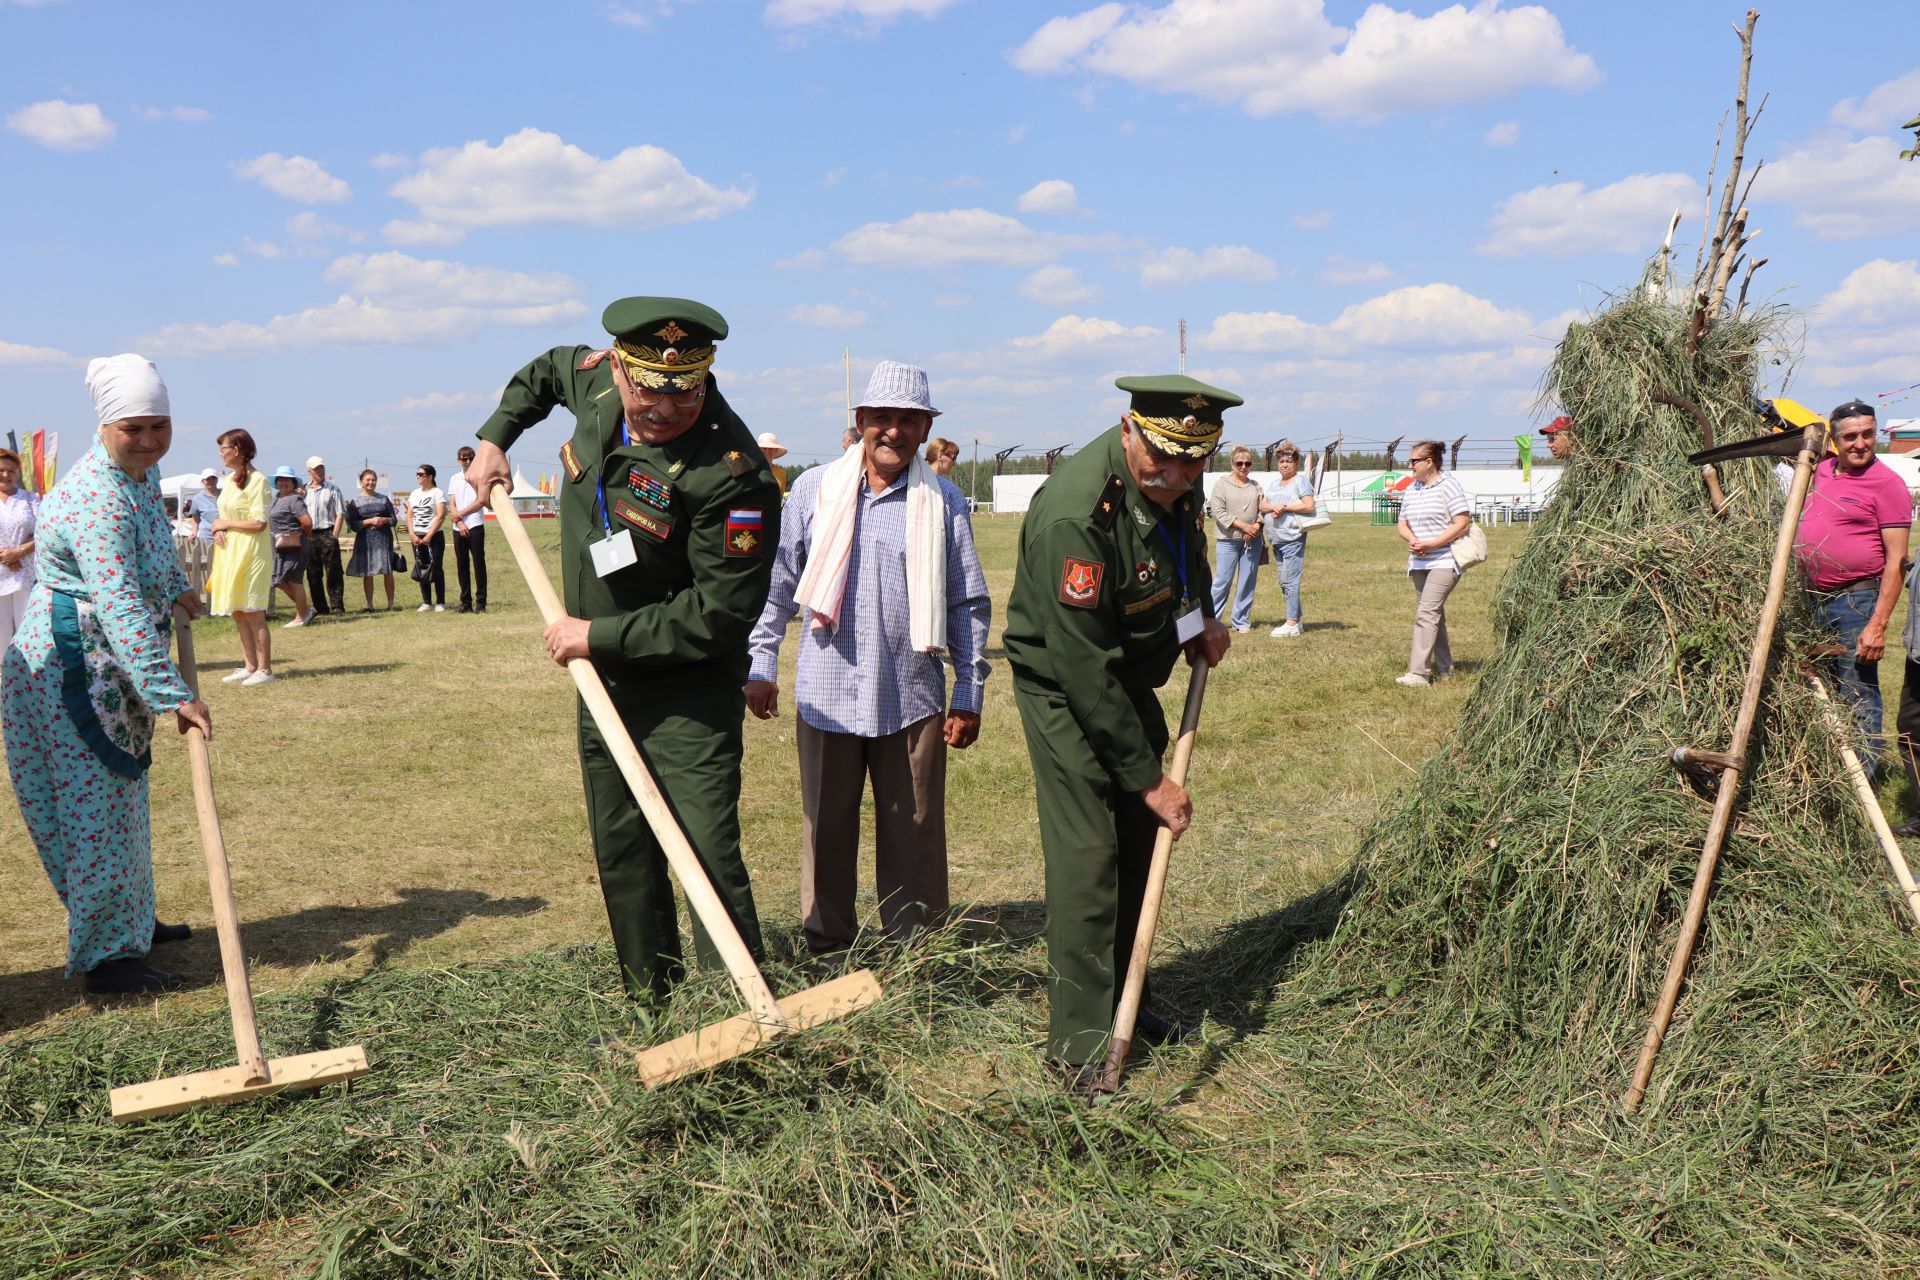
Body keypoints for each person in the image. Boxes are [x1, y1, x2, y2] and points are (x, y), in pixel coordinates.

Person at [463, 296, 781, 1002]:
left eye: (684, 393)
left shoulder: (736, 476)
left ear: (704, 379)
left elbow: (720, 615)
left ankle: (743, 1008)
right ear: (617, 367)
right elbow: (545, 372)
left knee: (703, 848)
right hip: (602, 683)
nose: (663, 410)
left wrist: (594, 635)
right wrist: (496, 438)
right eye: (648, 392)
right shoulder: (597, 379)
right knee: (624, 850)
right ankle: (655, 1005)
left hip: (686, 692)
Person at [1003, 373, 1235, 1083]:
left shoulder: (1179, 478)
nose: (1176, 475)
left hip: (1130, 672)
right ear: (1129, 429)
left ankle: (1128, 1001)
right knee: (1089, 857)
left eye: (1194, 460)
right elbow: (1082, 670)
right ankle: (1077, 1041)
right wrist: (1147, 779)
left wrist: (1197, 624)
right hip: (1067, 687)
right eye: (1162, 456)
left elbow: (1182, 560)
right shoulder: (1079, 514)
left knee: (1138, 844)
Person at [747, 362, 991, 963]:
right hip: (827, 693)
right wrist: (760, 661)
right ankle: (828, 945)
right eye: (882, 418)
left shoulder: (945, 502)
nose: (894, 431)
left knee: (914, 832)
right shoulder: (813, 491)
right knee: (825, 830)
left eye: (909, 420)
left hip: (911, 697)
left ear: (925, 428)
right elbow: (776, 582)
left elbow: (967, 601)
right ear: (860, 422)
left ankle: (913, 950)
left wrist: (969, 691)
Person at [3, 354, 210, 994]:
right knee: (92, 809)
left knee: (122, 803)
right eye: (134, 429)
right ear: (106, 426)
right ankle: (107, 959)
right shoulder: (95, 497)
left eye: (160, 426)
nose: (149, 441)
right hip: (69, 666)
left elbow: (151, 550)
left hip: (106, 660)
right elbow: (117, 599)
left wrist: (177, 587)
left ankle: (131, 922)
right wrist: (172, 693)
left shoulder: (139, 480)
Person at [1795, 400, 1910, 763]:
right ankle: (1831, 774)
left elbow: (1897, 562)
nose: (1861, 444)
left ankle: (1864, 787)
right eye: (1851, 437)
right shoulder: (1820, 470)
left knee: (1857, 695)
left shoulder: (1887, 484)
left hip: (1855, 604)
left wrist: (1877, 625)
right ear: (1835, 440)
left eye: (1868, 434)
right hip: (1811, 600)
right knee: (1818, 689)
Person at [1394, 441, 1471, 688]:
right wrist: (1413, 540)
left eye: (1415, 461)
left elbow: (1462, 523)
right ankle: (1446, 669)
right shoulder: (1412, 488)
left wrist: (1433, 544)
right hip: (1418, 560)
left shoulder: (1448, 485)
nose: (1410, 465)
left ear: (1429, 462)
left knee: (1426, 613)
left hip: (1445, 560)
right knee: (1433, 615)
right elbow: (1402, 523)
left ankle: (1419, 673)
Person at [206, 428, 275, 686]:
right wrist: (218, 529)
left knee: (253, 610)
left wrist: (224, 523)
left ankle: (265, 670)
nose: (221, 454)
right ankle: (249, 665)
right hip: (230, 552)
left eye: (223, 448)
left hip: (252, 552)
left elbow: (259, 523)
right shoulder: (230, 481)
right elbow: (225, 519)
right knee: (238, 611)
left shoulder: (258, 481)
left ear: (237, 450)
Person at [1261, 441, 1317, 637]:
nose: (1285, 464)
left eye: (1289, 461)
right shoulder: (1274, 484)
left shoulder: (1300, 481)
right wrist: (1274, 507)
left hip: (1292, 538)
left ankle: (1291, 623)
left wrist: (1285, 507)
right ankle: (1298, 620)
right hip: (1276, 540)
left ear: (1296, 463)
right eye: (1282, 461)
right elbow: (1263, 504)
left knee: (1290, 580)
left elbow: (1309, 505)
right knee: (1283, 580)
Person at [1206, 443, 1264, 634]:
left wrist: (1256, 526)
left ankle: (1241, 620)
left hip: (1252, 541)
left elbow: (1264, 509)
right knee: (1223, 580)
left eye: (1248, 463)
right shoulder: (1221, 485)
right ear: (1232, 464)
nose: (1243, 467)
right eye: (1239, 463)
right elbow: (1219, 512)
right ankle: (1211, 620)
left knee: (1247, 580)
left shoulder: (1256, 486)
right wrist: (1244, 526)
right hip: (1227, 541)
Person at [0, 449, 41, 652]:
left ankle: (28, 679)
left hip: (26, 573)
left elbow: (45, 531)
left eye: (11, 470)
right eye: (1, 470)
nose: (6, 475)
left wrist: (19, 552)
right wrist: (5, 556)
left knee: (29, 630)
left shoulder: (29, 499)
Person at [345, 467, 400, 611]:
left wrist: (383, 520)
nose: (371, 482)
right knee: (367, 572)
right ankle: (369, 606)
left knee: (388, 571)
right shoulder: (354, 502)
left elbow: (394, 520)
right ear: (361, 482)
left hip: (384, 539)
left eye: (373, 480)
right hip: (365, 541)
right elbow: (353, 525)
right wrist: (370, 521)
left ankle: (391, 604)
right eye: (368, 480)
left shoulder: (384, 499)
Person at [443, 446, 490, 614]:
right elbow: (452, 502)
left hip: (475, 523)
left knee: (479, 564)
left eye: (470, 458)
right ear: (458, 460)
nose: (468, 461)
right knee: (462, 565)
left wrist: (460, 515)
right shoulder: (455, 478)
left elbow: (481, 501)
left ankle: (481, 603)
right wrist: (459, 522)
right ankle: (465, 602)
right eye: (464, 459)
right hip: (458, 526)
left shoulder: (481, 477)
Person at [269, 466, 316, 628]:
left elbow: (307, 522)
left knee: (295, 580)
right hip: (281, 547)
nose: (283, 483)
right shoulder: (276, 498)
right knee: (280, 580)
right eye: (280, 480)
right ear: (276, 482)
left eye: (287, 480)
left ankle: (301, 616)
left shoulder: (294, 499)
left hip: (295, 546)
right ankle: (305, 611)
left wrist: (300, 535)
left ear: (293, 483)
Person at [302, 456, 347, 616]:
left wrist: (334, 535)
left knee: (333, 571)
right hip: (309, 535)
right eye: (316, 469)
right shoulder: (302, 490)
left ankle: (337, 606)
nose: (320, 471)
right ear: (309, 471)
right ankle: (320, 607)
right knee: (313, 573)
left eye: (321, 468)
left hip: (328, 531)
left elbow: (340, 513)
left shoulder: (333, 489)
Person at [406, 463, 447, 612]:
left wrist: (429, 535)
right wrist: (412, 534)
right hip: (417, 536)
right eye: (417, 474)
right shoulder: (415, 493)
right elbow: (409, 515)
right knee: (421, 566)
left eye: (421, 474)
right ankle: (426, 602)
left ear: (430, 477)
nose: (418, 477)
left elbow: (441, 515)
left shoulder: (437, 493)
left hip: (434, 535)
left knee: (436, 567)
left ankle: (440, 602)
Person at [184, 468, 220, 601]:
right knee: (208, 566)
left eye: (213, 478)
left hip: (225, 536)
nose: (210, 481)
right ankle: (209, 595)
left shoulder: (223, 495)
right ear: (203, 481)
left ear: (217, 480)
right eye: (207, 479)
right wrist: (194, 532)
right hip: (207, 537)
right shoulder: (197, 499)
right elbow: (195, 518)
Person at [757, 431, 790, 497]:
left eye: (771, 448)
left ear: (776, 451)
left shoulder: (781, 473)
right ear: (757, 450)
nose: (767, 451)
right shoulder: (749, 469)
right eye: (764, 448)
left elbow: (780, 497)